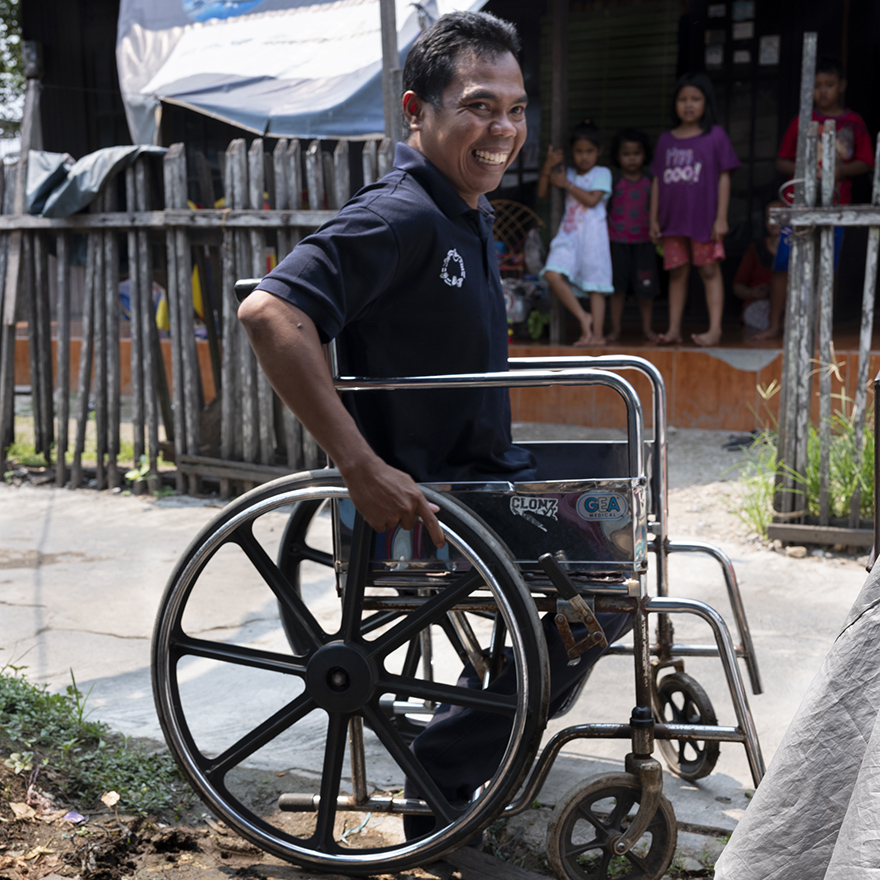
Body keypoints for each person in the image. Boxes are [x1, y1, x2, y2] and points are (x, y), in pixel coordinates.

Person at [238, 10, 630, 843]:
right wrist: (358, 464)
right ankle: (446, 766)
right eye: (480, 106)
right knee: (598, 594)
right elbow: (270, 311)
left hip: (485, 470)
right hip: (436, 493)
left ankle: (479, 733)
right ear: (417, 110)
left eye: (517, 110)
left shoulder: (467, 209)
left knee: (622, 534)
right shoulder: (401, 215)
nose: (505, 129)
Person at [755, 55, 874, 340]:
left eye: (829, 84)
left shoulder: (854, 123)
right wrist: (809, 171)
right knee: (784, 265)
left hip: (836, 207)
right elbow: (782, 161)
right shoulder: (802, 121)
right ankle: (775, 325)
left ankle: (820, 329)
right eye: (817, 85)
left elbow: (866, 162)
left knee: (826, 269)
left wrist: (838, 170)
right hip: (798, 204)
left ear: (841, 86)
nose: (822, 91)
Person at [649, 72, 740, 347]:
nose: (688, 105)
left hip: (704, 221)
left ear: (706, 102)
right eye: (682, 99)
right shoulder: (666, 140)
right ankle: (674, 329)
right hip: (672, 221)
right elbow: (657, 180)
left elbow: (725, 176)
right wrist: (653, 218)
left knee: (710, 271)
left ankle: (714, 330)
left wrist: (721, 218)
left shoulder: (715, 136)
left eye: (695, 99)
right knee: (677, 274)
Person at [538, 120, 614, 346]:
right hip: (569, 235)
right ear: (572, 152)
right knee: (552, 273)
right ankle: (584, 317)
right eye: (579, 151)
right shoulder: (566, 172)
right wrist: (548, 166)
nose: (584, 157)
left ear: (599, 151)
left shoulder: (602, 173)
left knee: (595, 285)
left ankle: (597, 335)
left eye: (589, 151)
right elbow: (543, 192)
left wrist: (567, 185)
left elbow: (592, 200)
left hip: (593, 237)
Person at [607, 128, 660, 343]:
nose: (631, 158)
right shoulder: (614, 180)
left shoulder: (651, 180)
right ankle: (615, 330)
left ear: (644, 154)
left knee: (645, 292)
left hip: (645, 243)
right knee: (617, 290)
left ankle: (647, 330)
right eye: (626, 154)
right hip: (616, 242)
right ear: (618, 156)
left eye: (636, 153)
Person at [732, 199, 783, 335]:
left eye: (778, 218)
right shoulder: (756, 249)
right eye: (769, 218)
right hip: (760, 306)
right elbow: (738, 286)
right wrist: (753, 293)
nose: (773, 222)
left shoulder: (798, 250)